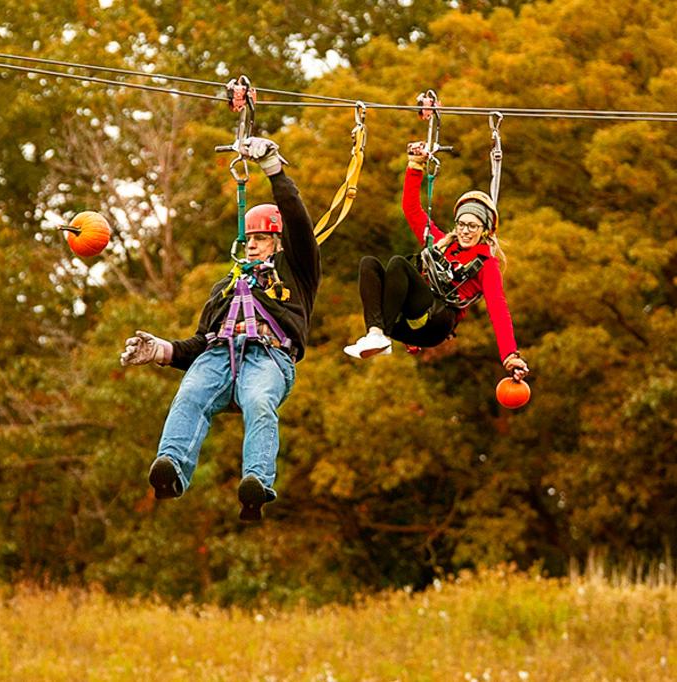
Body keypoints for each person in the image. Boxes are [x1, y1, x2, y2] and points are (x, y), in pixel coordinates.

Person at [119, 136, 320, 521]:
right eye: (249, 241)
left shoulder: (298, 270)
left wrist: (273, 169)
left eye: (261, 239)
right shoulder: (225, 288)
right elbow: (199, 341)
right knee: (191, 393)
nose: (253, 246)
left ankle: (256, 483)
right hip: (217, 355)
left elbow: (296, 217)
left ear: (278, 243)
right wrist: (161, 351)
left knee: (261, 403)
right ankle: (171, 469)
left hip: (268, 357)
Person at [344, 141, 529, 381]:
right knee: (369, 264)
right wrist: (415, 165)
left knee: (399, 264)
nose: (465, 231)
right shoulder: (441, 242)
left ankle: (382, 335)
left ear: (484, 231)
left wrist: (510, 355)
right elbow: (411, 210)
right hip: (408, 322)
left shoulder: (487, 264)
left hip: (437, 321)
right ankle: (377, 332)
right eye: (462, 224)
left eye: (472, 226)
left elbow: (499, 311)